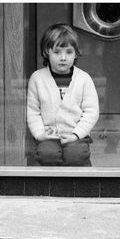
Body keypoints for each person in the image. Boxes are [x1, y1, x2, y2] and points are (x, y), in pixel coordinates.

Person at [27, 23, 99, 166]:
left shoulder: (84, 79)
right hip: (49, 135)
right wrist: (40, 134)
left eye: (69, 52)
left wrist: (77, 134)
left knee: (77, 156)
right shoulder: (37, 78)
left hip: (76, 135)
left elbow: (91, 112)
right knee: (46, 155)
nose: (63, 57)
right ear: (47, 51)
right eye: (57, 52)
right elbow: (33, 111)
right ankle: (48, 187)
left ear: (76, 53)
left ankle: (80, 185)